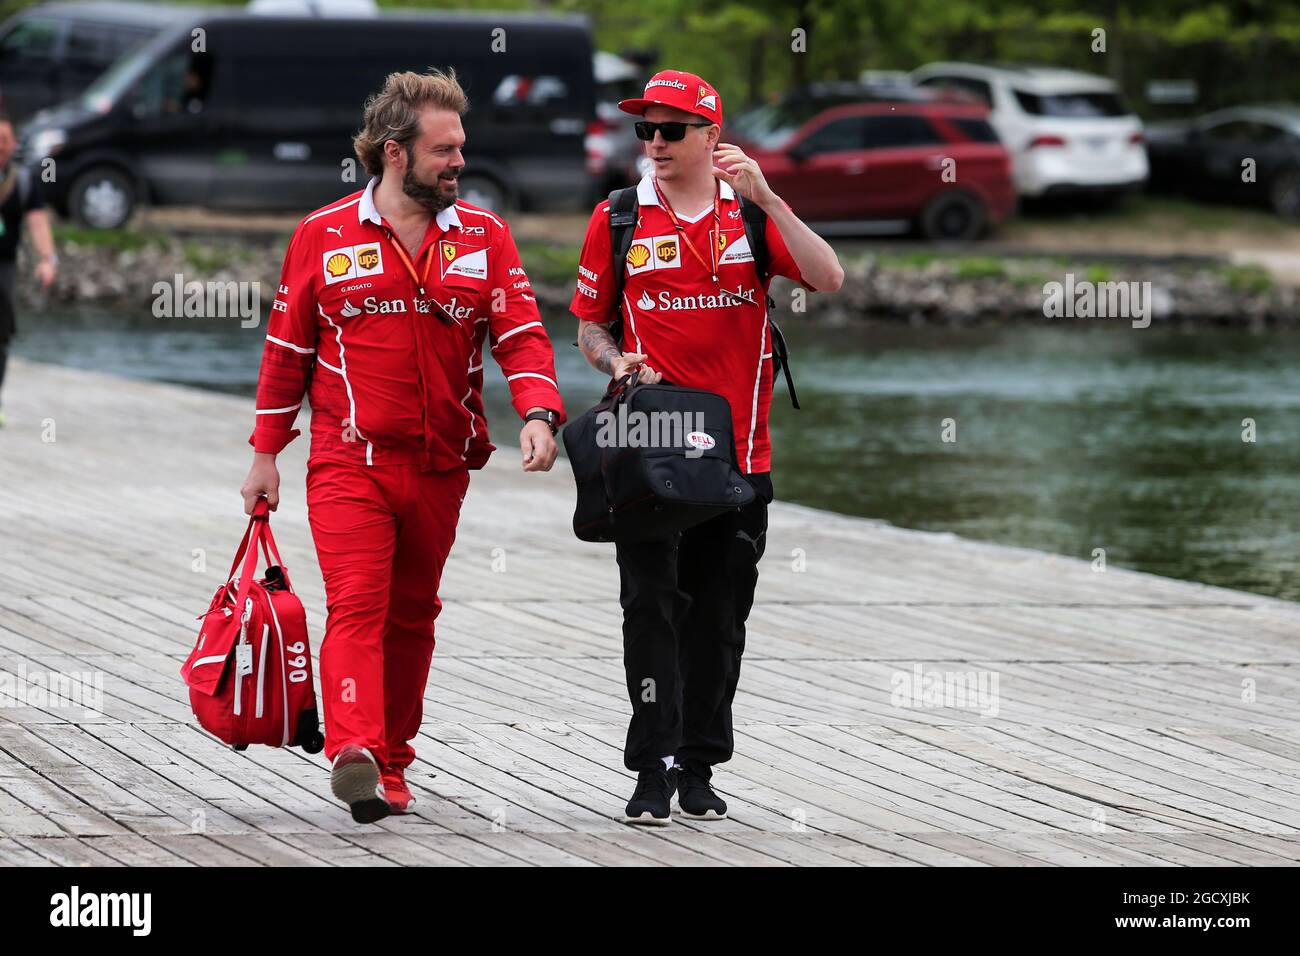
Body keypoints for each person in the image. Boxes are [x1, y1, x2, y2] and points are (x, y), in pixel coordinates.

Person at [240, 69, 565, 824]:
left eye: (461, 148)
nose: (459, 162)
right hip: (349, 461)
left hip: (443, 466)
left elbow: (521, 335)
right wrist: (265, 454)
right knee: (358, 605)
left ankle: (391, 760)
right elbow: (287, 351)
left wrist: (540, 413)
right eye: (444, 149)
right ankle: (354, 749)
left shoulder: (487, 238)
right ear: (394, 153)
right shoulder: (321, 236)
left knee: (414, 614)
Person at [570, 70, 843, 824]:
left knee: (718, 621)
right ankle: (650, 767)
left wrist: (771, 198)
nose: (653, 143)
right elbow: (590, 323)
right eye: (644, 130)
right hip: (649, 447)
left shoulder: (750, 215)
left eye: (671, 130)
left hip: (739, 457)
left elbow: (829, 276)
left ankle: (698, 764)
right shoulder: (619, 216)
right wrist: (612, 360)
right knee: (649, 611)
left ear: (711, 136)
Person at [0, 114, 58, 428]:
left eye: (5, 140)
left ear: (14, 145)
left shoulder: (22, 182)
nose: (0, 146)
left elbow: (37, 222)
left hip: (5, 265)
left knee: (2, 335)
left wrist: (47, 259)